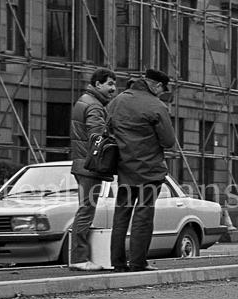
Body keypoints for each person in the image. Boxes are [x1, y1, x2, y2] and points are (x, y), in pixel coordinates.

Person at [107, 69, 176, 273]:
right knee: (143, 217)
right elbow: (168, 141)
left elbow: (107, 129)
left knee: (121, 216)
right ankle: (138, 262)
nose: (162, 93)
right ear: (157, 86)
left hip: (124, 168)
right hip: (149, 171)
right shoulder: (156, 106)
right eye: (162, 89)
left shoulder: (118, 100)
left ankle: (118, 262)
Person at [69, 68, 117, 272]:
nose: (114, 89)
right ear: (98, 84)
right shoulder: (95, 106)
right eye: (110, 84)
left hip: (81, 163)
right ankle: (79, 258)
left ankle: (79, 256)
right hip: (89, 166)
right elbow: (98, 138)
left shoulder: (85, 101)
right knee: (86, 211)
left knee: (85, 209)